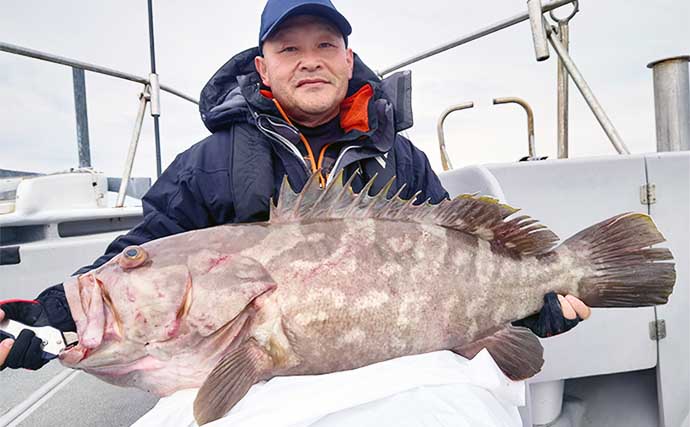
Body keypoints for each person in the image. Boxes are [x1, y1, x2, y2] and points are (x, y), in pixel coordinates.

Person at [0, 0, 590, 372]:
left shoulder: (401, 157)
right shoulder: (209, 164)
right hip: (262, 377)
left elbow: (460, 248)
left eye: (324, 46)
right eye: (289, 49)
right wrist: (47, 318)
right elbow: (143, 253)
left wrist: (527, 307)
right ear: (262, 67)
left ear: (348, 57)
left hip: (406, 370)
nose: (309, 61)